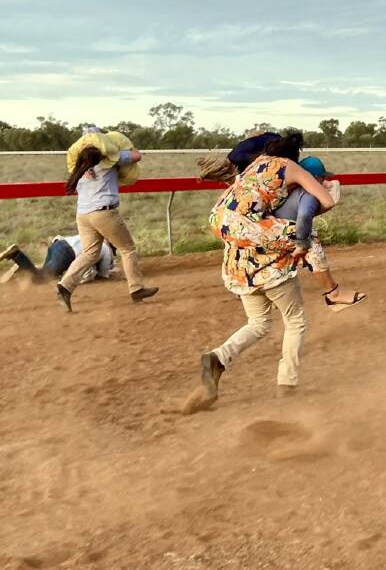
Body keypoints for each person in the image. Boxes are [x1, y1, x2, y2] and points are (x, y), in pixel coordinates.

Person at [184, 133, 335, 413]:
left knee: (259, 323)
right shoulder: (295, 184)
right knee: (295, 320)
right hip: (269, 268)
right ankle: (287, 382)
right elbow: (325, 202)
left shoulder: (257, 173)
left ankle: (219, 357)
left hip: (237, 257)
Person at [57, 130, 158, 312]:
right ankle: (136, 289)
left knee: (90, 254)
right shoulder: (111, 160)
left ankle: (65, 286)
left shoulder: (77, 168)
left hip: (83, 214)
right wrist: (114, 150)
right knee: (128, 249)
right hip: (104, 213)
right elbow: (137, 155)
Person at [272, 156, 366, 312]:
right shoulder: (309, 195)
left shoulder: (290, 192)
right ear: (314, 178)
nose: (324, 181)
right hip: (282, 231)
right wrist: (302, 243)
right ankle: (333, 295)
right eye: (322, 177)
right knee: (312, 244)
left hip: (269, 231)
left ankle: (272, 294)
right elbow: (304, 216)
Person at [1, 237, 113, 285]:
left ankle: (24, 267)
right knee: (41, 279)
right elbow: (103, 276)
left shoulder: (92, 236)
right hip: (67, 253)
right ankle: (17, 255)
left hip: (58, 244)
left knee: (46, 274)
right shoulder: (107, 250)